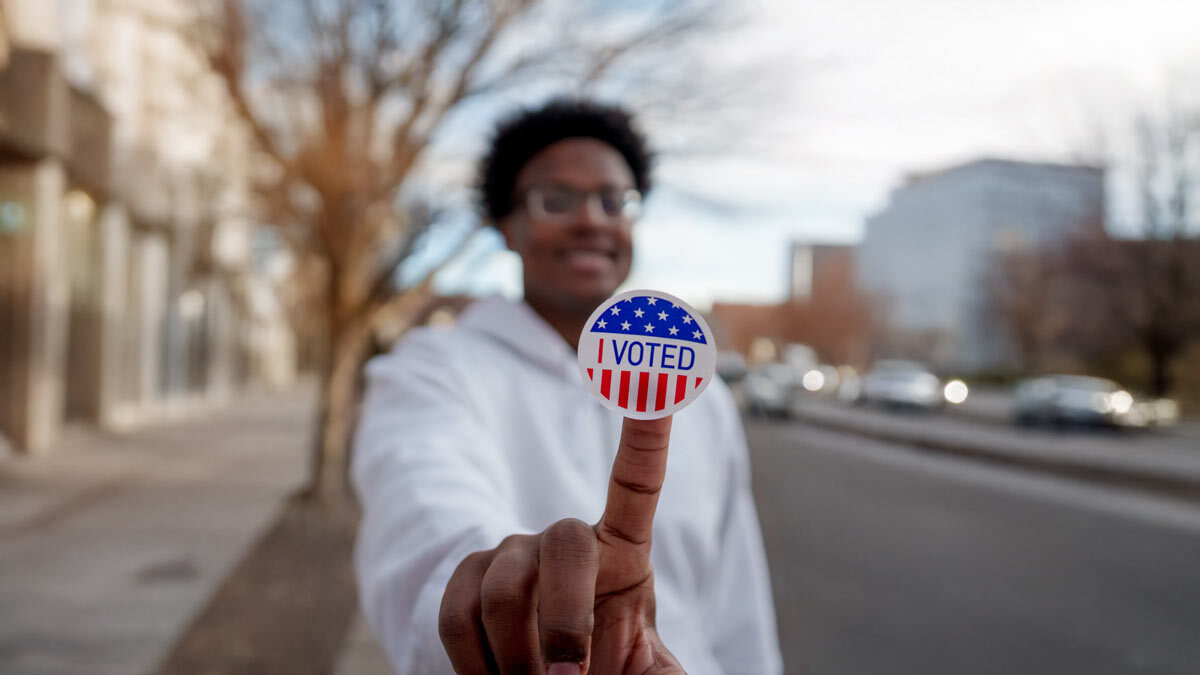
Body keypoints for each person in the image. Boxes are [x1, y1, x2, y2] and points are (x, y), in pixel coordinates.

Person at [352, 99, 782, 674]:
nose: (593, 219)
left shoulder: (699, 400)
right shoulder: (433, 370)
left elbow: (737, 603)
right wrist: (503, 589)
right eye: (556, 199)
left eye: (614, 201)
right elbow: (422, 513)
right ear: (506, 226)